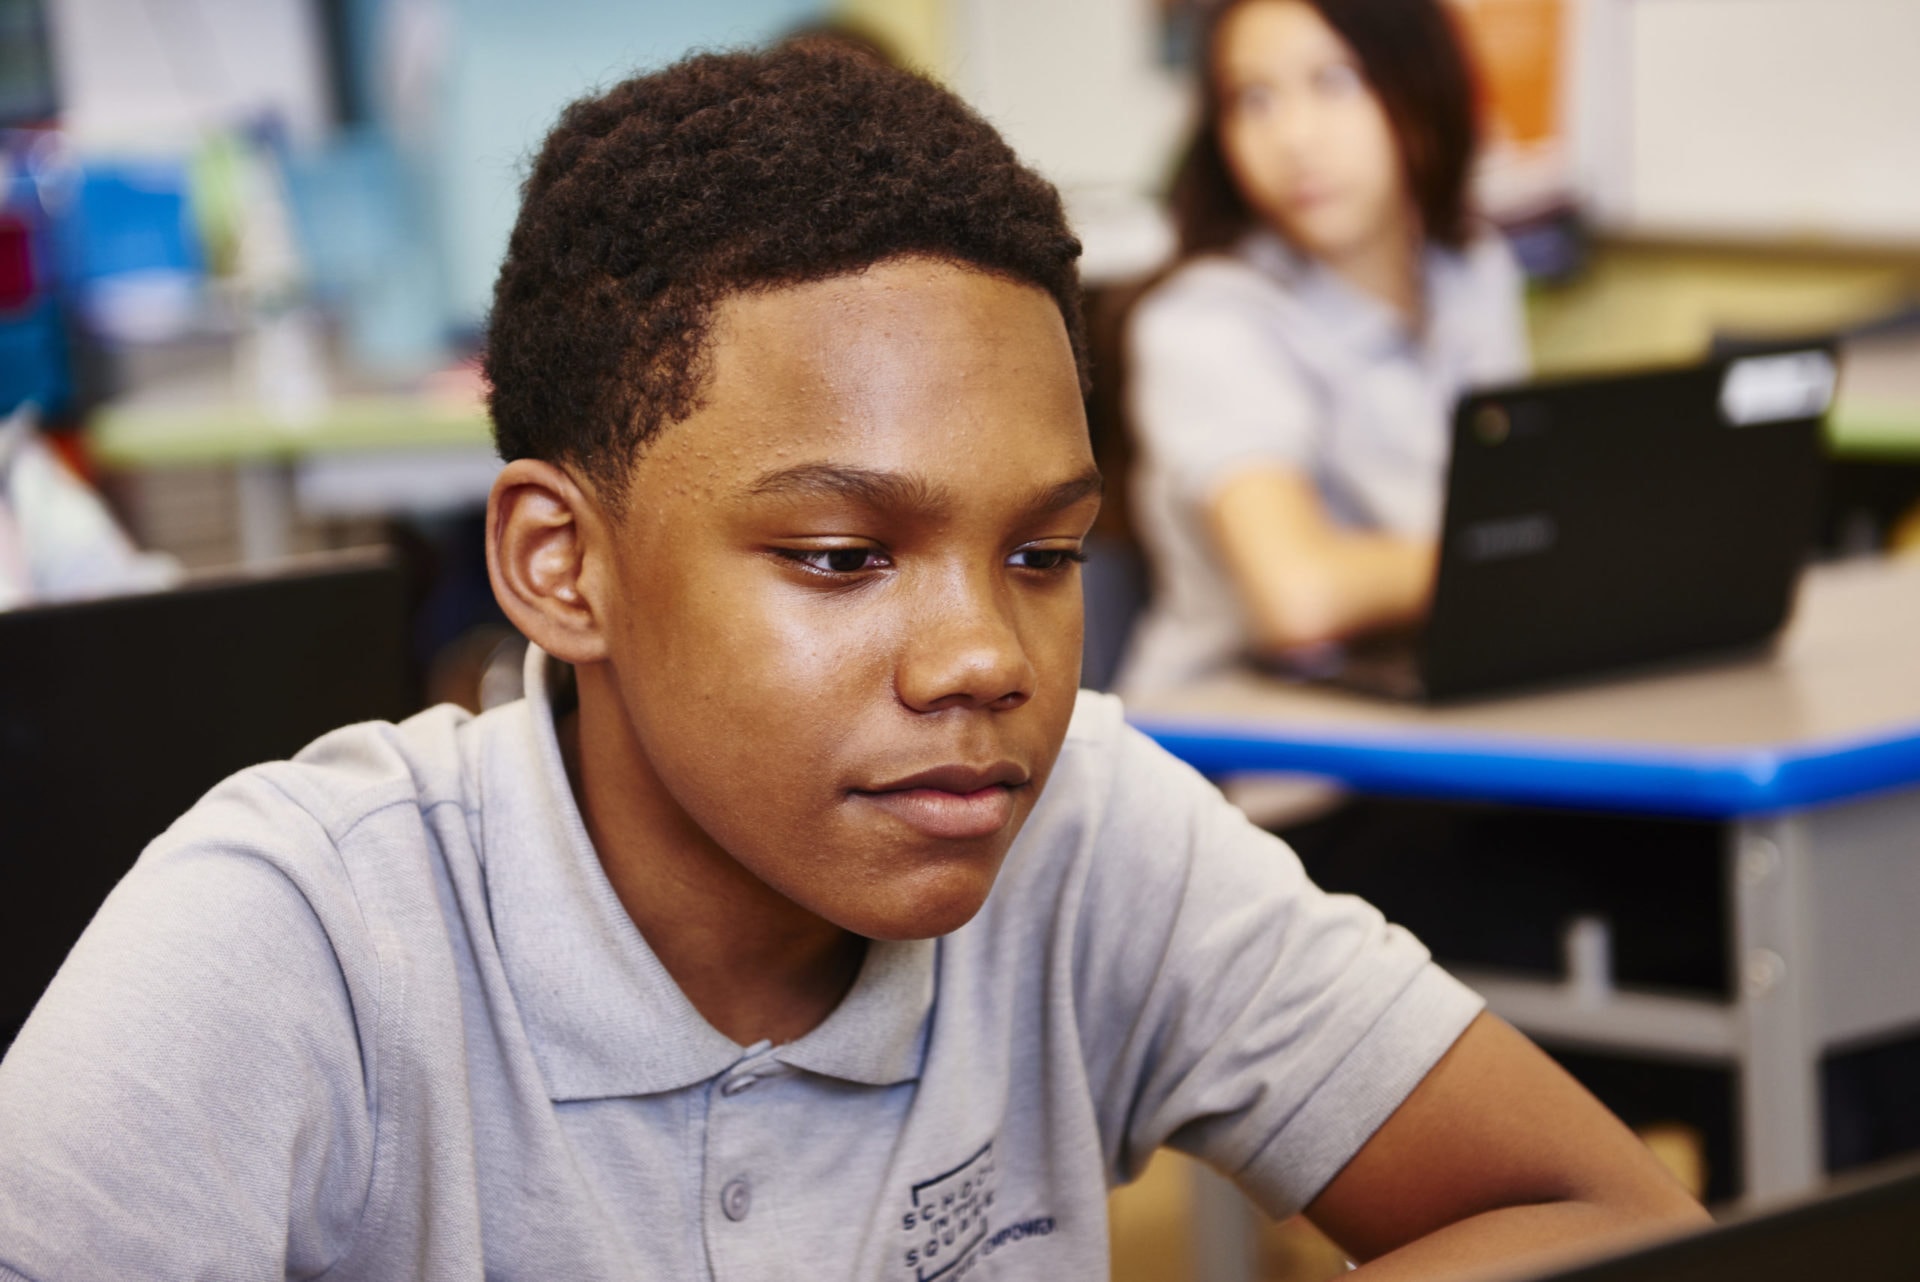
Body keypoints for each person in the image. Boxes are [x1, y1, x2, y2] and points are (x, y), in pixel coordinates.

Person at [0, 43, 1703, 1280]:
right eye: (840, 556)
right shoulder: (300, 931)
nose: (985, 654)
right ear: (557, 563)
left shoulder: (1081, 823)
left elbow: (1613, 1221)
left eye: (1043, 553)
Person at [1116, 0, 1529, 696]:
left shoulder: (1473, 270)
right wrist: (1527, 555)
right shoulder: (1206, 318)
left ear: (1420, 81)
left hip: (1439, 704)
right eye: (1254, 98)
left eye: (1335, 81)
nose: (1294, 137)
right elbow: (1299, 597)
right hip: (1252, 755)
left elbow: (1515, 494)